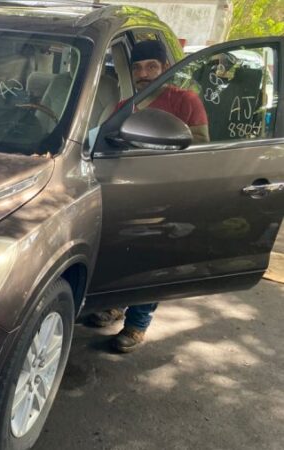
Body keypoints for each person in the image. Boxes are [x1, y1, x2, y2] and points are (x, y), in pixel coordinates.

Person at [88, 40, 210, 353]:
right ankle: (116, 306)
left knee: (150, 258)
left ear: (165, 69)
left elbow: (201, 142)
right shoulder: (125, 106)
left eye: (151, 67)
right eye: (138, 68)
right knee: (121, 253)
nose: (144, 73)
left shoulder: (185, 101)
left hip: (168, 192)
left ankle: (137, 324)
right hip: (128, 191)